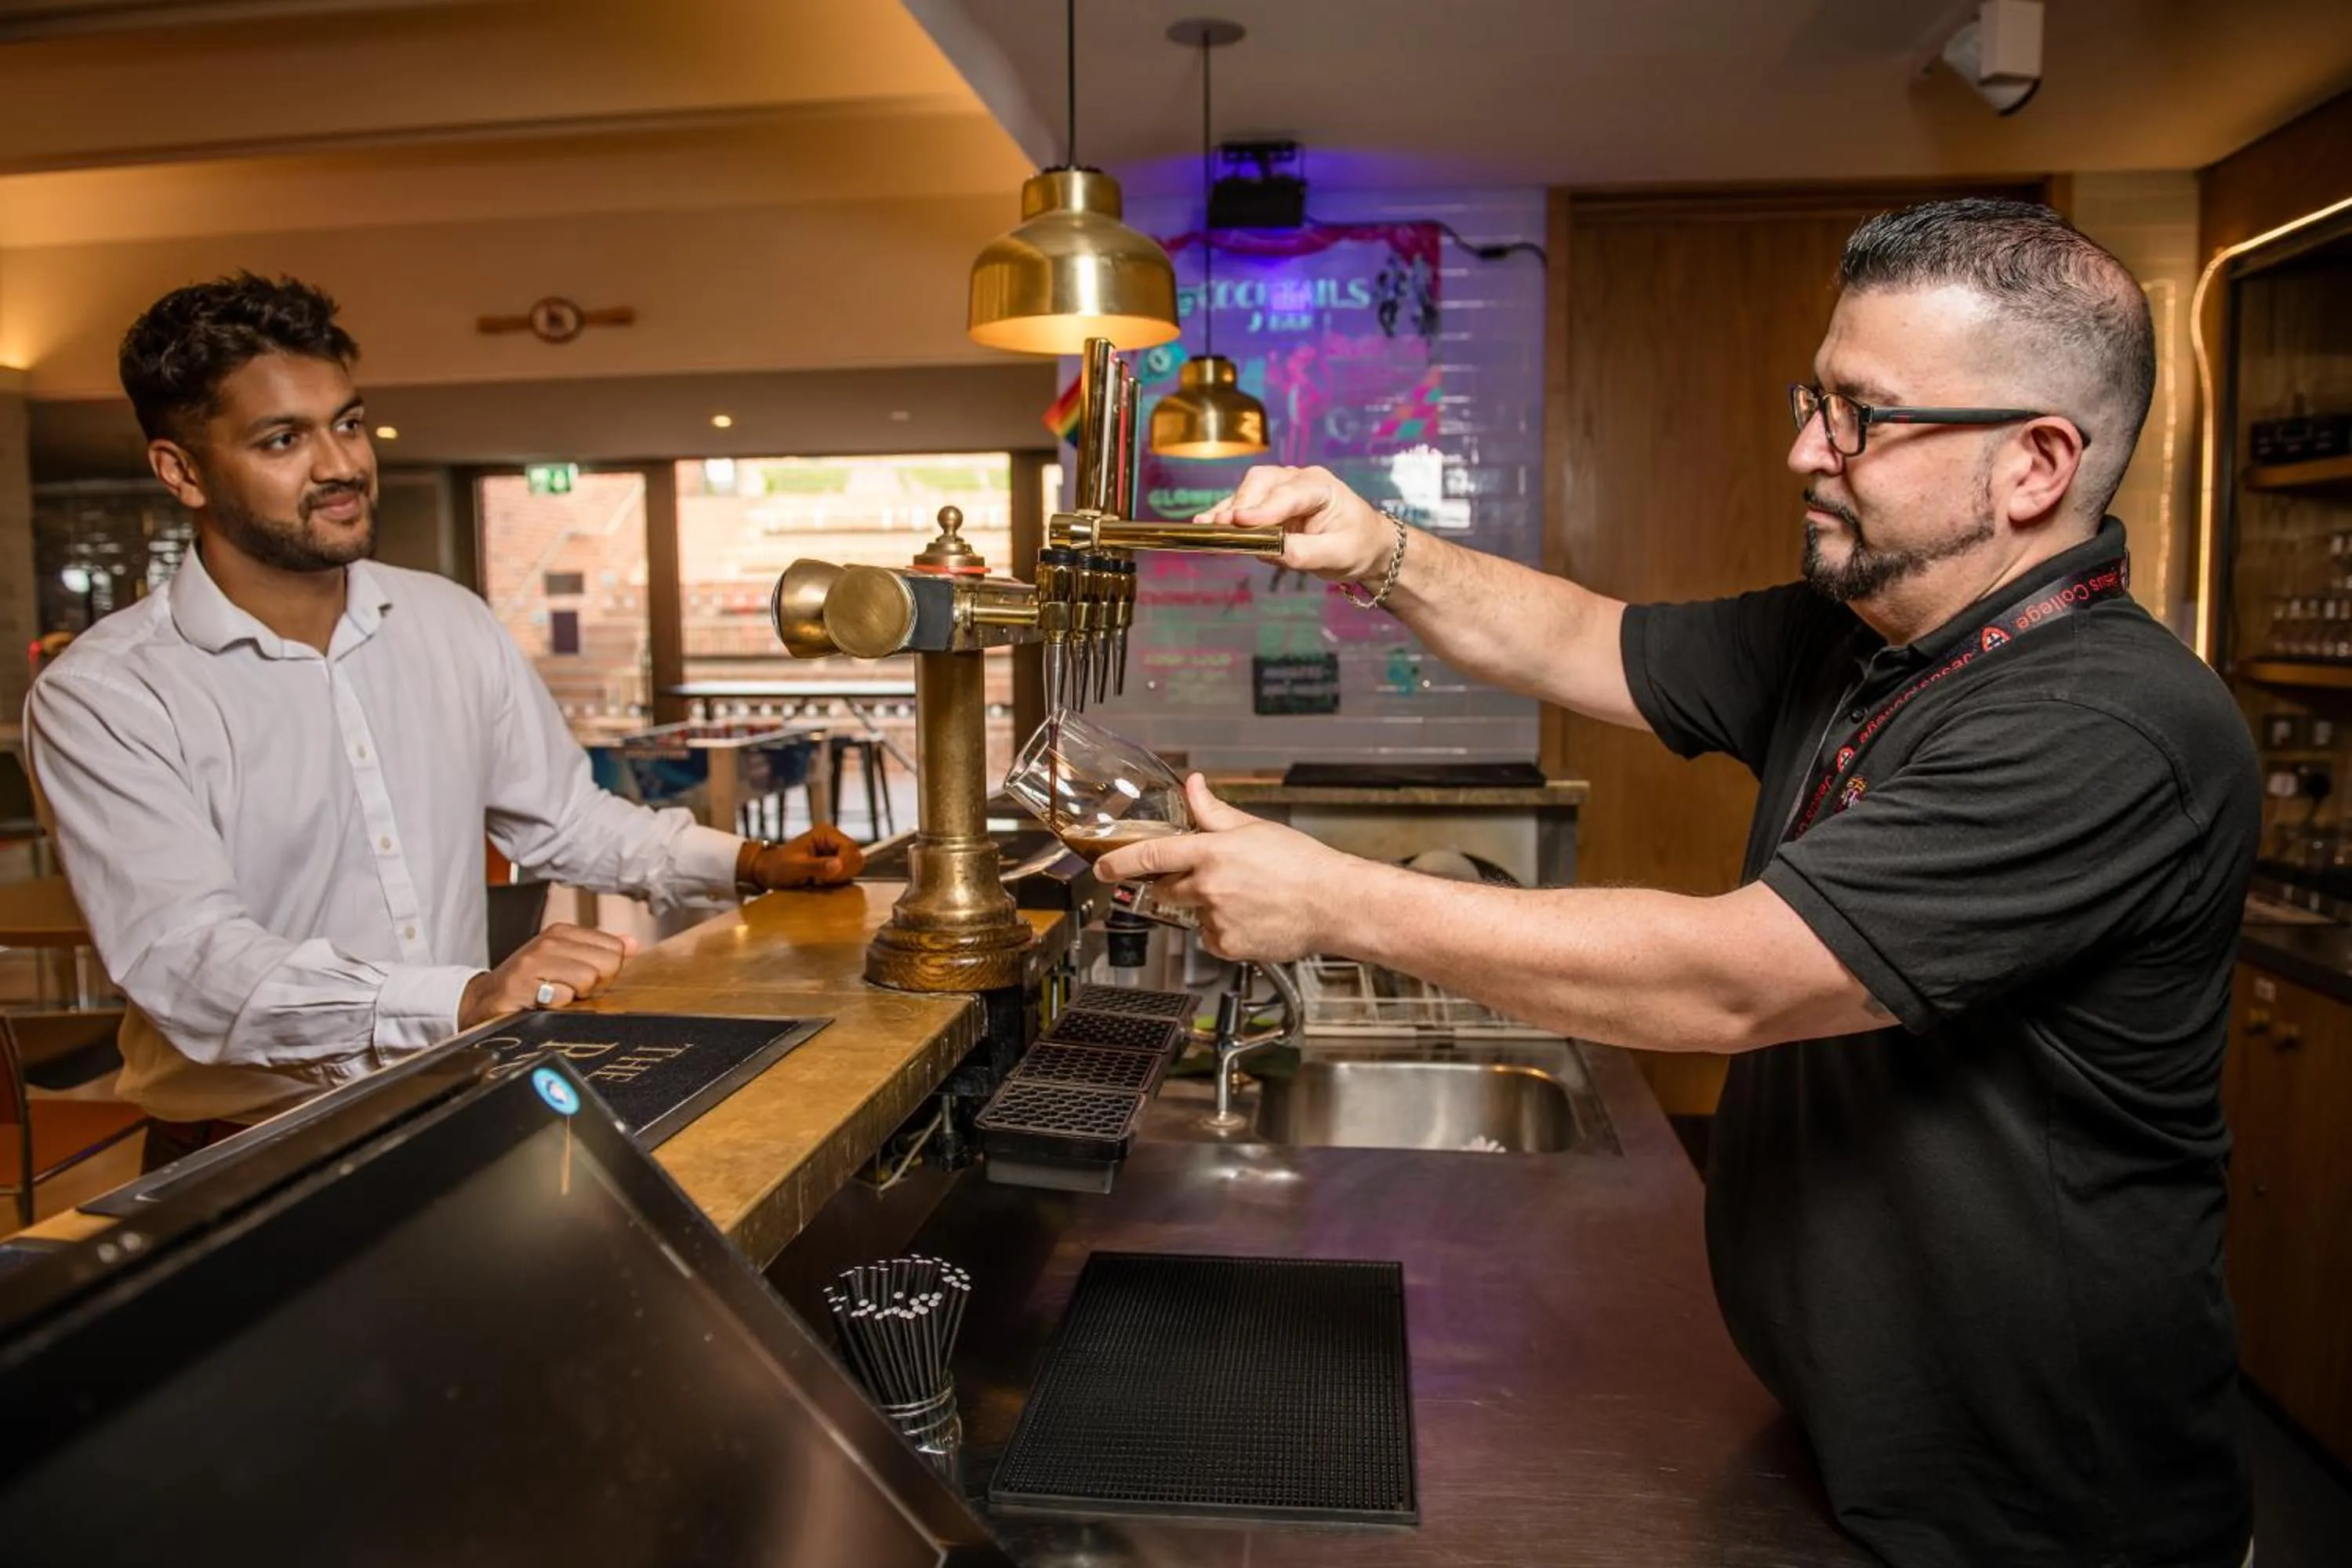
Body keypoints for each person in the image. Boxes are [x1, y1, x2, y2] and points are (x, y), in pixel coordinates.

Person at [1098, 201, 2259, 1568]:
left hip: (2043, 1515)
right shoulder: (1866, 635)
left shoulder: (2104, 726)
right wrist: (1382, 550)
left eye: (1862, 418)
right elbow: (1594, 642)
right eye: (1813, 399)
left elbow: (1734, 981)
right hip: (1862, 1442)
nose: (1802, 450)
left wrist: (1334, 900)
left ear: (2034, 464)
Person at [24, 274, 864, 1172]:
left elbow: (565, 819)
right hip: (248, 1159)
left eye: (347, 422)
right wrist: (464, 997)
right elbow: (193, 965)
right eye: (282, 439)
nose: (342, 464)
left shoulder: (447, 621)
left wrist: (747, 864)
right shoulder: (107, 694)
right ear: (180, 470)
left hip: (459, 1116)